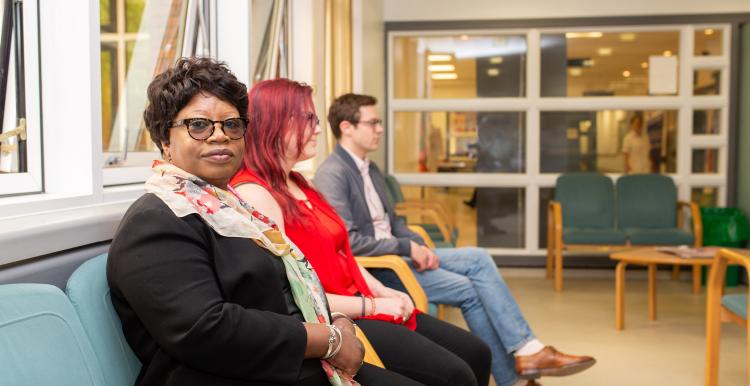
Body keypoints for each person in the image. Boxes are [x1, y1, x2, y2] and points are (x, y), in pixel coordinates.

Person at [107, 58, 420, 386]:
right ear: (165, 140)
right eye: (198, 125)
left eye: (232, 125)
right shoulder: (156, 221)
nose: (219, 136)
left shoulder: (230, 209)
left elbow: (277, 292)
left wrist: (337, 320)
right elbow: (207, 331)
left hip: (292, 364)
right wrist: (330, 339)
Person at [314, 93, 597, 386]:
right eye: (373, 123)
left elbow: (393, 221)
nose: (380, 129)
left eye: (380, 122)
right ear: (347, 127)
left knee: (478, 257)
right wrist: (408, 247)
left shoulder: (370, 168)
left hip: (399, 254)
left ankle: (528, 351)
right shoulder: (333, 174)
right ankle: (515, 376)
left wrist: (418, 245)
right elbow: (350, 242)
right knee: (468, 289)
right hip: (383, 267)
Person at [230, 78, 491, 386]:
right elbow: (295, 296)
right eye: (308, 118)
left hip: (361, 301)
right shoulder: (255, 194)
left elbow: (344, 251)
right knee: (456, 375)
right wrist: (373, 305)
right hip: (340, 318)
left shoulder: (301, 183)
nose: (317, 128)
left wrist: (382, 290)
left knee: (476, 352)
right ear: (275, 124)